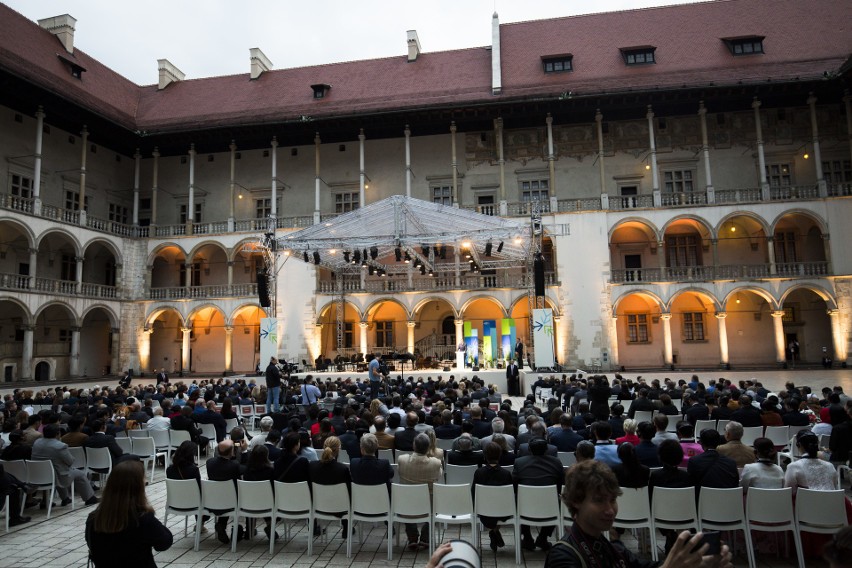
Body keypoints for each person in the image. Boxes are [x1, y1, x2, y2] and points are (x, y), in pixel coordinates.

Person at [545, 459, 734, 568]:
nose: (610, 510)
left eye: (612, 499)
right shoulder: (563, 558)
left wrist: (695, 563)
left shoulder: (612, 548)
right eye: (599, 500)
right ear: (576, 502)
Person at [85, 460, 173, 568]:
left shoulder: (94, 519)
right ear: (138, 489)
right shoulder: (142, 519)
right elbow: (164, 543)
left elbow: (92, 545)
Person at [514, 437, 563, 551]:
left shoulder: (520, 462)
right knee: (558, 501)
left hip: (525, 507)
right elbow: (561, 485)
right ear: (546, 450)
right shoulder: (556, 462)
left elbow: (515, 485)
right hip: (550, 507)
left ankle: (527, 537)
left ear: (529, 450)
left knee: (519, 499)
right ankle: (543, 537)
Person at [32, 423, 98, 507]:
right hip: (56, 475)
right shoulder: (60, 446)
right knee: (80, 474)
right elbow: (70, 461)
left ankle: (65, 498)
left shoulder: (37, 442)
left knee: (60, 470)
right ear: (57, 434)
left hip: (38, 475)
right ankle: (89, 498)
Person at [397, 433, 443, 550]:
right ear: (428, 448)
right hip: (429, 509)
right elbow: (439, 476)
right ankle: (425, 538)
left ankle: (412, 537)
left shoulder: (402, 460)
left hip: (406, 507)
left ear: (414, 446)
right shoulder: (436, 463)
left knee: (407, 501)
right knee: (435, 503)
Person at [472, 442, 513, 551]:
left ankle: (493, 532)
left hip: (484, 511)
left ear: (484, 456)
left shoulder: (479, 473)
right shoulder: (506, 474)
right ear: (500, 455)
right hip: (503, 512)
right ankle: (494, 532)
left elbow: (473, 493)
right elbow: (510, 496)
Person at [308, 436, 351, 538]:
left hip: (317, 506)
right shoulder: (342, 469)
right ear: (338, 449)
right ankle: (346, 528)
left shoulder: (312, 466)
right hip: (339, 509)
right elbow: (349, 491)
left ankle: (313, 527)